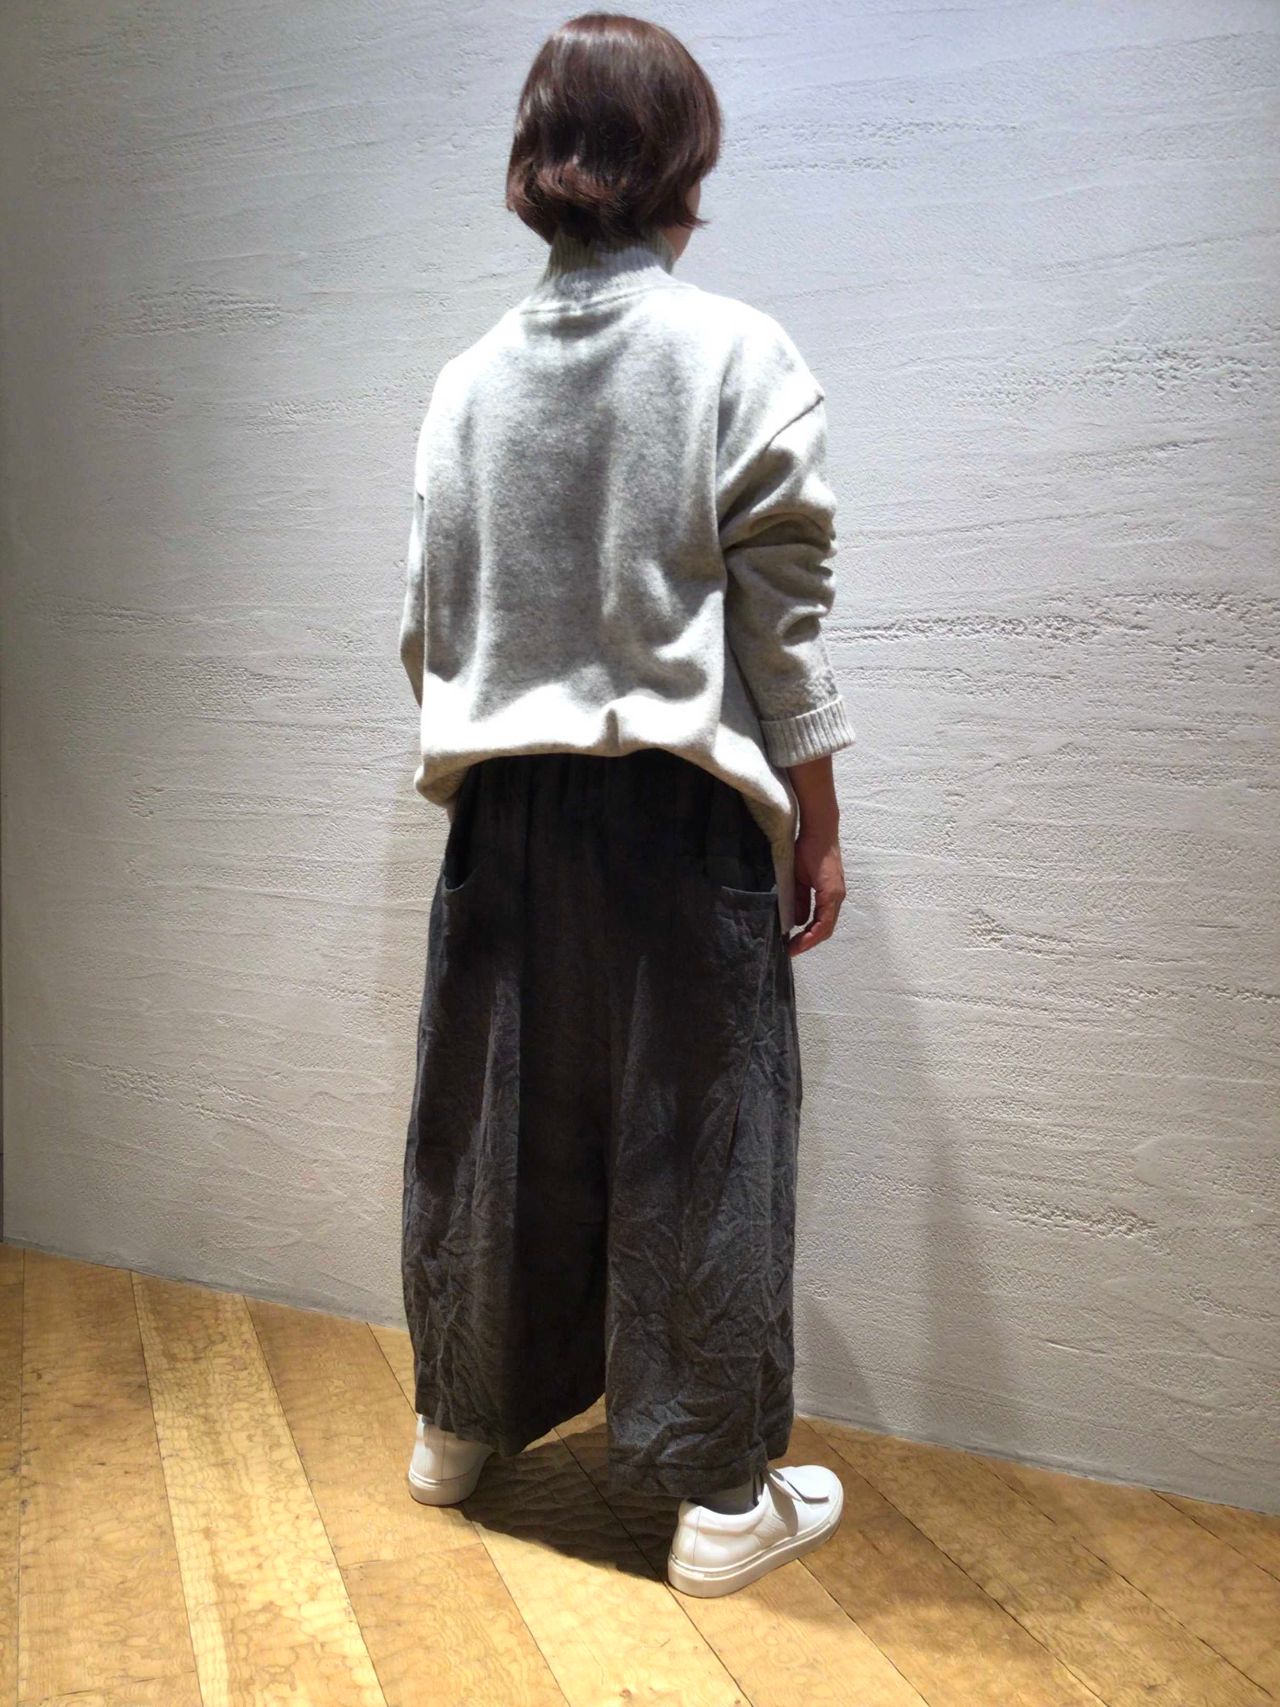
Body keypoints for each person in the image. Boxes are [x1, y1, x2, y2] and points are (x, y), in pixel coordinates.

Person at [398, 12, 853, 1598]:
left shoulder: (464, 384)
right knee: (700, 1137)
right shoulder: (735, 356)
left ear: (542, 160)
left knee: (495, 1124)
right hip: (676, 811)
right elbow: (781, 624)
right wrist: (816, 815)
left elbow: (425, 630)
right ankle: (718, 1501)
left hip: (502, 817)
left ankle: (458, 1427)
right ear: (681, 163)